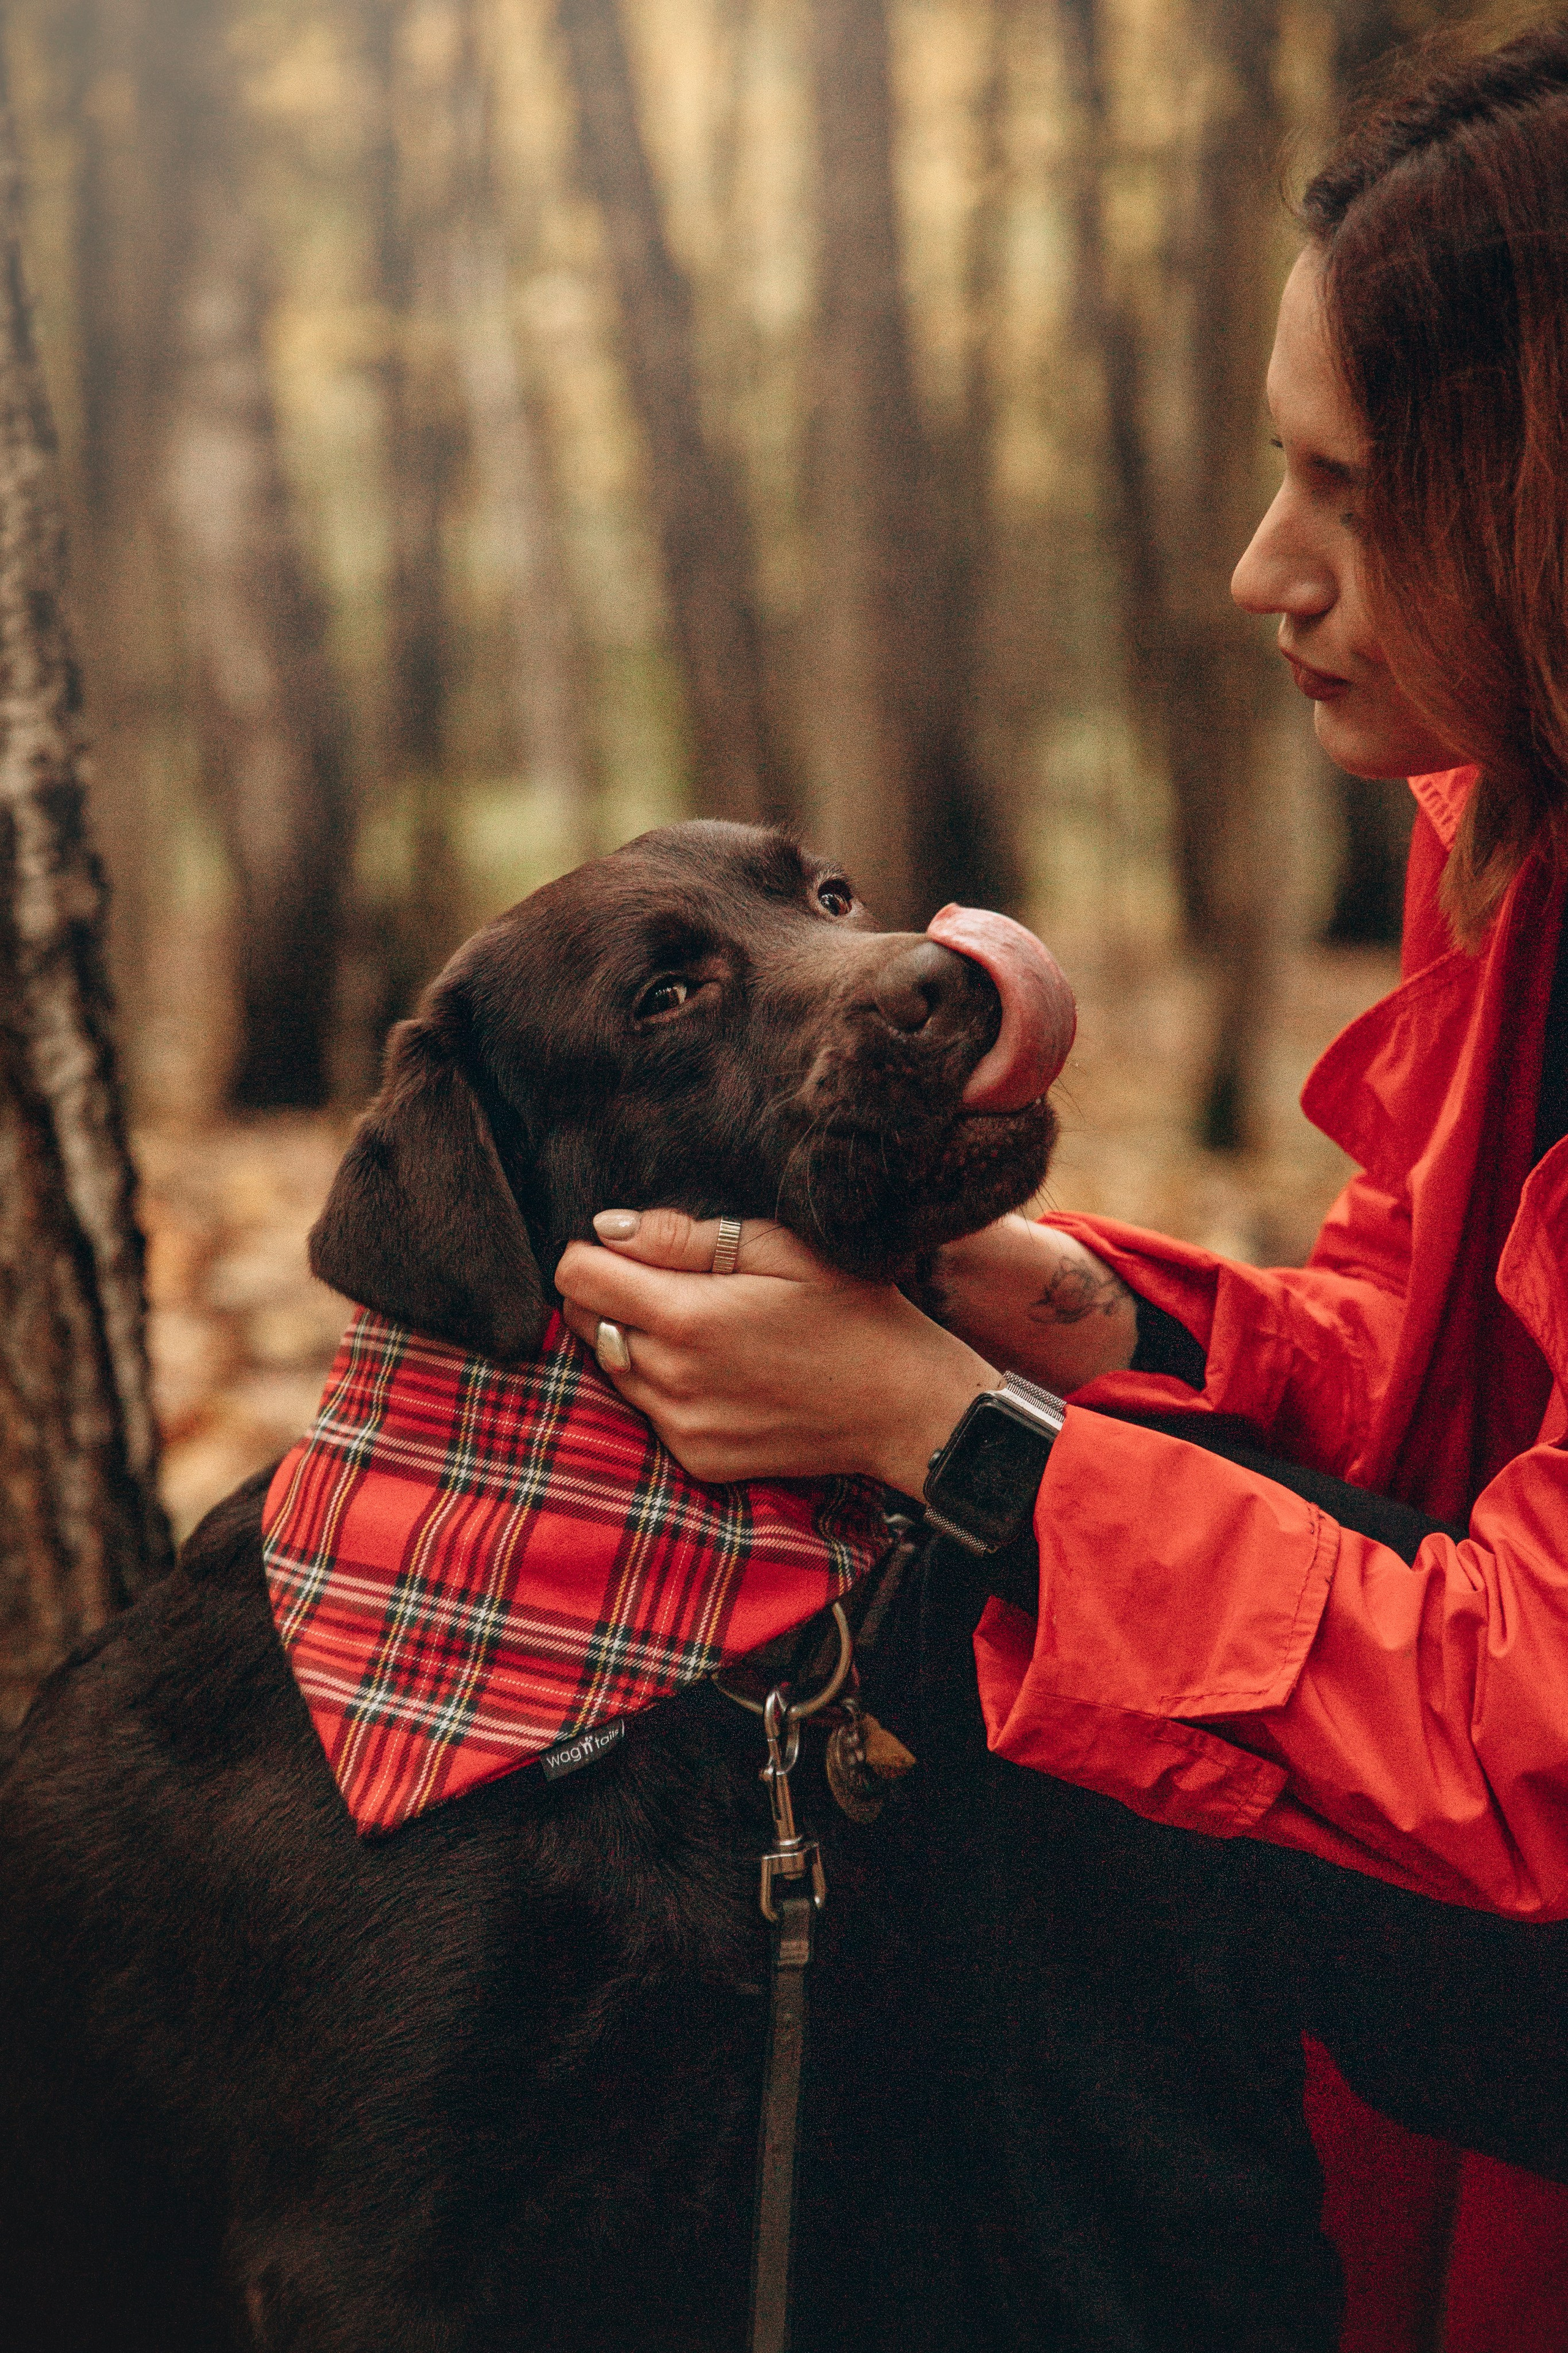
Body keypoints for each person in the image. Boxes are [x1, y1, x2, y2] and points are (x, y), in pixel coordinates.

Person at [557, 26, 1568, 2352]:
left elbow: (1525, 1722)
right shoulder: (1506, 829)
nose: (1258, 568)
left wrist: (937, 1427)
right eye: (1268, 470)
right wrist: (1043, 1306)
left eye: (1347, 488)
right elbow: (1405, 1373)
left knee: (1051, 1720)